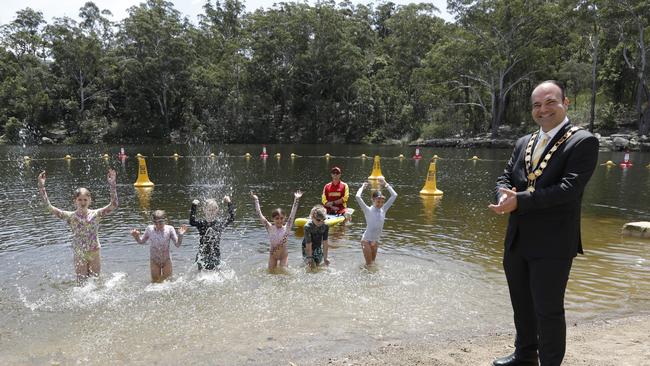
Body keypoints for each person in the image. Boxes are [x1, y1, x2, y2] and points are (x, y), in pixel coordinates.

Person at [488, 80, 599, 366]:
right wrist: (503, 195)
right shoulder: (524, 142)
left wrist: (520, 200)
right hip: (517, 238)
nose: (543, 110)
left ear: (566, 103)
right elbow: (505, 177)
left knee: (548, 310)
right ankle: (525, 355)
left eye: (550, 102)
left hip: (553, 242)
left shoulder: (583, 141)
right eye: (537, 105)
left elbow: (569, 189)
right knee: (522, 306)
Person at [37, 169, 118, 284]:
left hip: (94, 251)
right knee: (82, 284)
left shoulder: (96, 214)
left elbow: (114, 204)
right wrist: (41, 187)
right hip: (79, 253)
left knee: (96, 283)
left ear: (90, 200)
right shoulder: (70, 217)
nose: (82, 202)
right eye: (79, 199)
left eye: (85, 199)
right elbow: (48, 207)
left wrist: (112, 184)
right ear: (74, 201)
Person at [250, 190, 303, 270]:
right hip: (273, 256)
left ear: (284, 218)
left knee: (284, 273)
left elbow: (293, 213)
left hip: (283, 256)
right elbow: (259, 214)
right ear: (273, 219)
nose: (279, 220)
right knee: (270, 273)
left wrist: (296, 199)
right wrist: (256, 200)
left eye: (281, 218)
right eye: (277, 218)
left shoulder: (287, 228)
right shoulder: (270, 228)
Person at [131, 210, 188, 283]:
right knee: (155, 283)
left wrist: (180, 235)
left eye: (160, 222)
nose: (158, 225)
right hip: (154, 261)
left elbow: (177, 244)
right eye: (155, 222)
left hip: (166, 260)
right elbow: (141, 241)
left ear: (165, 220)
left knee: (168, 283)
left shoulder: (170, 229)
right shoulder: (149, 229)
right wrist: (136, 237)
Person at [355, 177, 397, 266]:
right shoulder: (367, 210)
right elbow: (357, 197)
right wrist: (362, 187)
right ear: (373, 200)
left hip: (375, 241)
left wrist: (385, 183)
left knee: (373, 264)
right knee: (369, 264)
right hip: (366, 240)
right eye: (378, 202)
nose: (380, 204)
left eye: (382, 202)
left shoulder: (384, 209)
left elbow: (394, 195)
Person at [189, 196, 235, 270]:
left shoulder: (219, 224)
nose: (211, 212)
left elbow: (232, 218)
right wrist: (194, 206)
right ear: (204, 210)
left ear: (217, 210)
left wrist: (229, 202)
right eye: (209, 210)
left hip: (215, 255)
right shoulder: (201, 224)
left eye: (213, 210)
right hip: (202, 255)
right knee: (201, 276)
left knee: (216, 274)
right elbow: (192, 222)